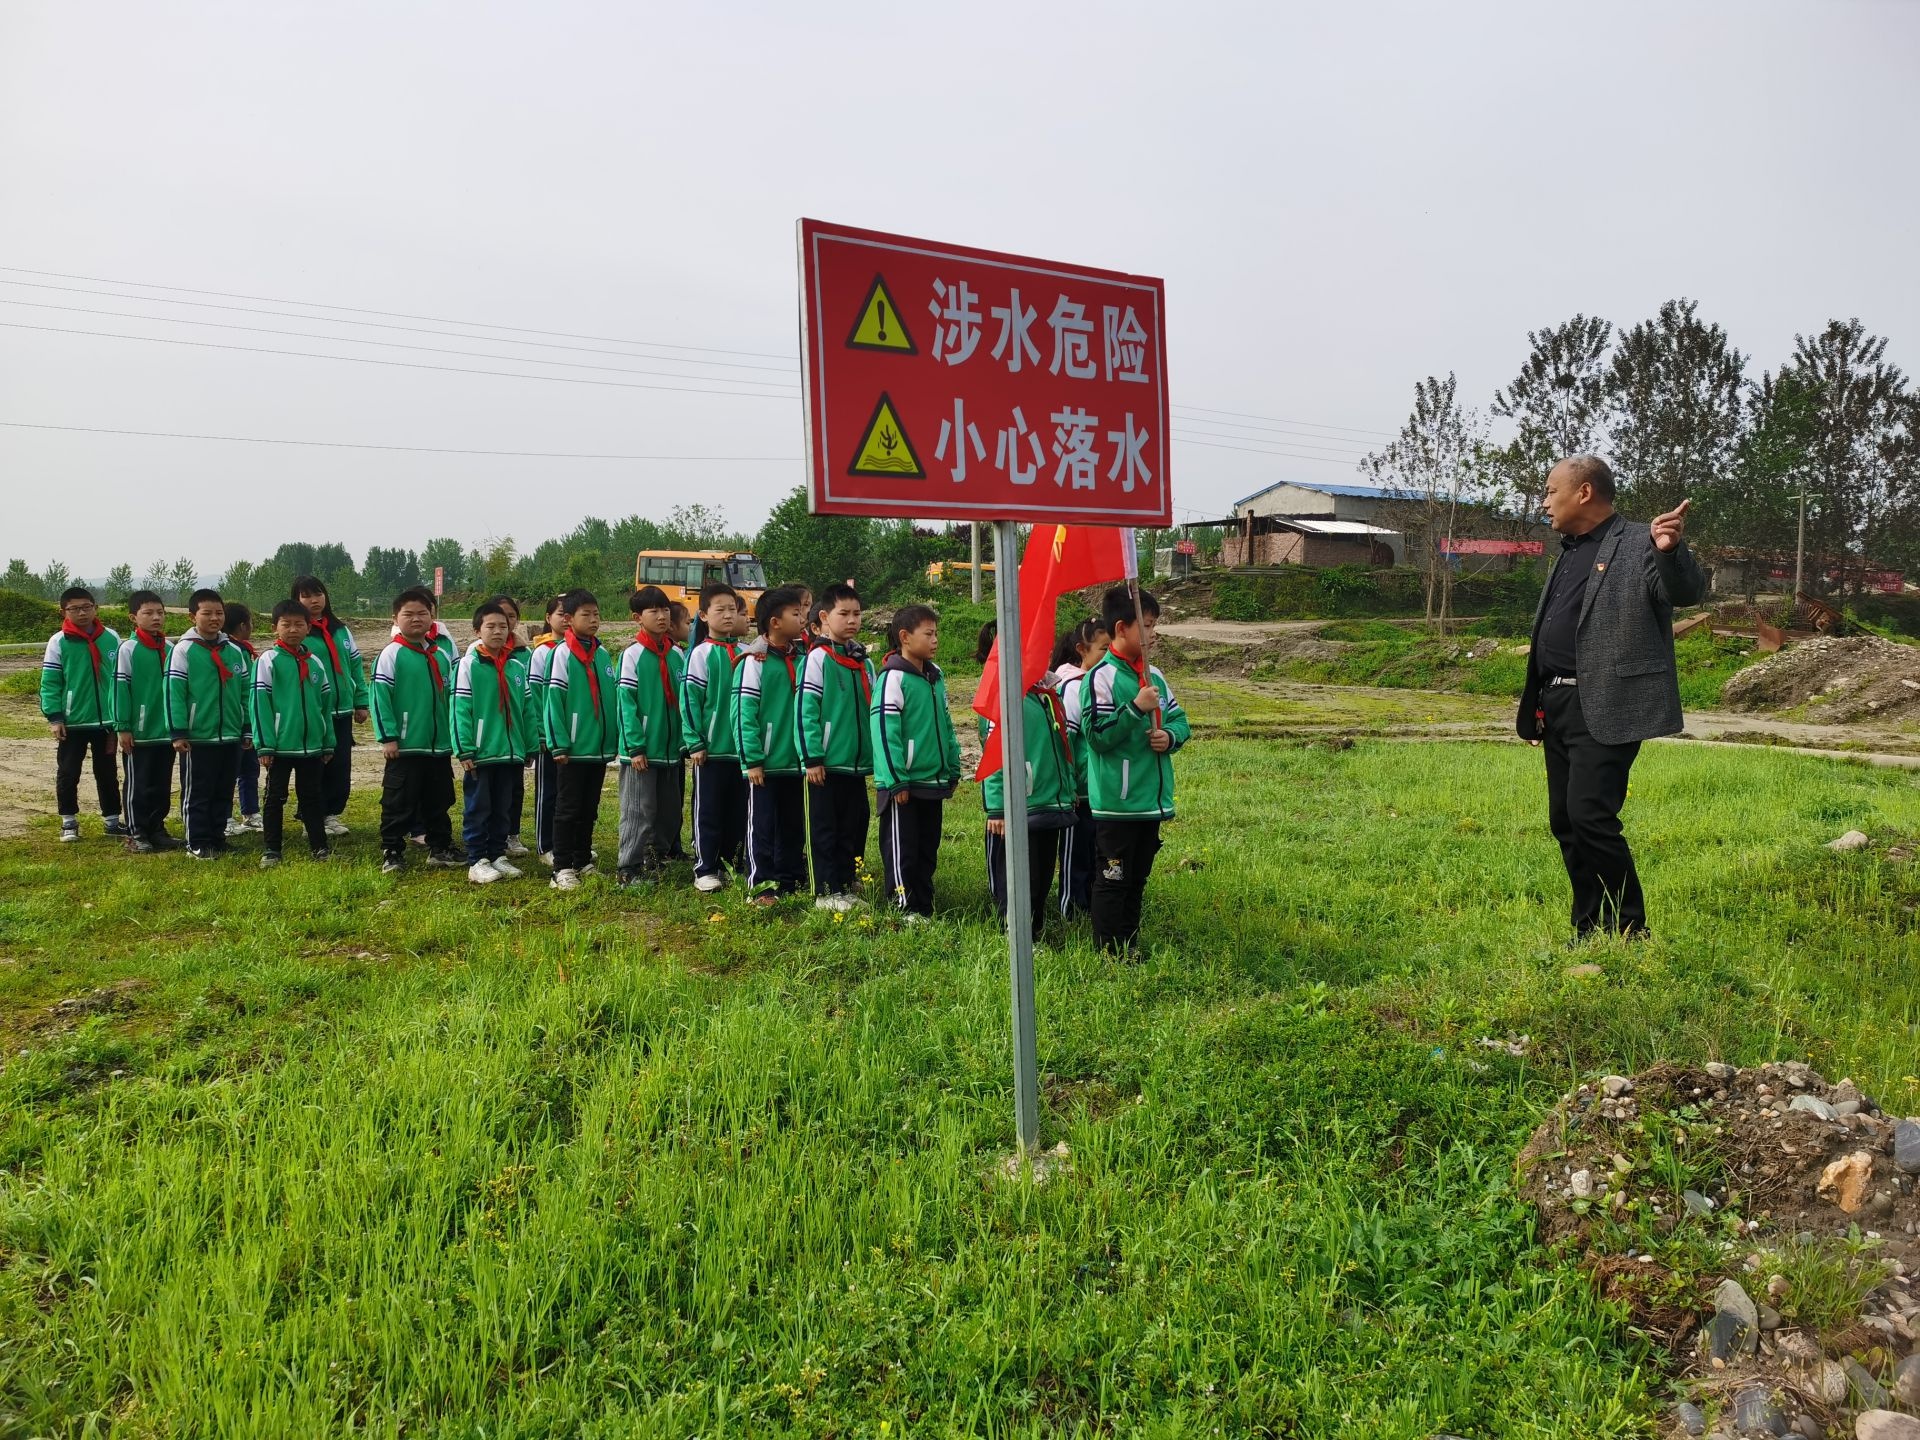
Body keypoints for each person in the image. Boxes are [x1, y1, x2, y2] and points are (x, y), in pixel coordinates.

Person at [1519, 455, 1705, 938]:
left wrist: (1669, 551)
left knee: (1591, 817)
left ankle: (1629, 928)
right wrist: (1537, 704)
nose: (1544, 501)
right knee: (1565, 821)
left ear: (1583, 492)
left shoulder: (1642, 541)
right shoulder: (1570, 549)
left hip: (1608, 702)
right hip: (1556, 703)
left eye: (1550, 490)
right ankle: (1588, 925)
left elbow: (1685, 592)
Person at [1083, 587, 1191, 958]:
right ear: (1121, 628)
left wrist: (1169, 736)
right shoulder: (1100, 679)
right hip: (1118, 803)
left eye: (1155, 625)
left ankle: (1129, 945)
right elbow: (1096, 737)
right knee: (1113, 878)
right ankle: (1108, 952)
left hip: (1150, 801)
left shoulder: (1155, 676)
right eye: (1146, 626)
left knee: (1137, 880)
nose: (1153, 634)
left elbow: (1180, 719)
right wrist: (1134, 708)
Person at [980, 647, 1078, 930]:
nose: (1043, 659)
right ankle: (1013, 934)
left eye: (1045, 653)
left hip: (1050, 802)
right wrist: (997, 807)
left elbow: (1062, 747)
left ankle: (1033, 931)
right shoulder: (1007, 696)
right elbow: (993, 755)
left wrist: (1068, 789)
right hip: (1021, 804)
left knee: (1041, 877)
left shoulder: (1046, 695)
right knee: (1020, 877)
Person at [871, 604, 959, 920]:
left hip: (931, 782)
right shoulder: (893, 677)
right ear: (905, 637)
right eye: (929, 634)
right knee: (902, 848)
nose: (935, 640)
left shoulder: (936, 677)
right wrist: (896, 778)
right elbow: (885, 732)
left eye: (936, 633)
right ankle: (901, 905)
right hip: (904, 783)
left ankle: (922, 903)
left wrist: (951, 767)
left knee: (926, 848)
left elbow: (946, 725)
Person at [370, 586, 461, 873]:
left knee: (439, 798)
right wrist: (389, 737)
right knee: (399, 800)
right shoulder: (391, 654)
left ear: (432, 616)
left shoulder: (440, 655)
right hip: (406, 746)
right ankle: (392, 850)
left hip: (437, 746)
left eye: (423, 613)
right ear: (395, 618)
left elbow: (451, 699)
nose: (416, 619)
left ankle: (440, 847)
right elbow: (380, 698)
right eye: (408, 614)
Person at [799, 581, 875, 911]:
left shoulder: (863, 662)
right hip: (826, 764)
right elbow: (807, 710)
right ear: (825, 617)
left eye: (857, 614)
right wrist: (812, 756)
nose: (852, 620)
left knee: (855, 823)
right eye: (844, 614)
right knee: (825, 827)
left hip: (855, 764)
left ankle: (846, 882)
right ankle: (826, 889)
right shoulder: (818, 659)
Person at [736, 585, 810, 904]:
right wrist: (752, 759)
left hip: (793, 761)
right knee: (762, 825)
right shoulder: (755, 661)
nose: (803, 617)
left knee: (793, 823)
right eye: (796, 613)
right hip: (765, 762)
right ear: (775, 622)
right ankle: (761, 884)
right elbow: (744, 713)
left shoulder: (802, 657)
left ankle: (789, 876)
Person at [167, 589, 252, 859]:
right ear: (193, 616)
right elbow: (175, 693)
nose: (214, 618)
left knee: (223, 790)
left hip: (229, 735)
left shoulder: (235, 651)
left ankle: (217, 837)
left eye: (219, 613)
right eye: (207, 613)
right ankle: (197, 842)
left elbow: (246, 693)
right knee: (198, 793)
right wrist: (178, 731)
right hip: (198, 737)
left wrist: (246, 726)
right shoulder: (184, 650)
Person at [250, 599, 335, 867]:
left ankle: (320, 846)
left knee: (311, 797)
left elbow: (325, 706)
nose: (293, 629)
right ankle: (272, 849)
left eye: (299, 624)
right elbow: (259, 704)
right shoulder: (268, 660)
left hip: (311, 747)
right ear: (275, 627)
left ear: (309, 627)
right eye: (286, 624)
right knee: (275, 797)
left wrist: (327, 741)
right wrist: (264, 744)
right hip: (279, 746)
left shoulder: (315, 663)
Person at [543, 588, 618, 891]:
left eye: (596, 614)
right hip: (572, 749)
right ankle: (561, 867)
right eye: (586, 615)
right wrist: (559, 743)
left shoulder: (601, 654)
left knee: (590, 807)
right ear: (569, 619)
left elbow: (610, 700)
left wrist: (611, 740)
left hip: (597, 750)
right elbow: (553, 701)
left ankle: (582, 859)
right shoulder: (561, 653)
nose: (593, 620)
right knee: (568, 808)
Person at [453, 600, 530, 884]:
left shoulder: (516, 667)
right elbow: (461, 709)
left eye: (503, 625)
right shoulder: (469, 665)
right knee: (478, 806)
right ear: (477, 631)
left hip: (510, 753)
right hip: (482, 752)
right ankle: (477, 859)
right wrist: (465, 748)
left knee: (503, 806)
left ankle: (498, 854)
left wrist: (528, 744)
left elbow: (527, 709)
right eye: (491, 626)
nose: (498, 631)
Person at [40, 585, 124, 842]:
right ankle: (68, 821)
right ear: (63, 611)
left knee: (107, 771)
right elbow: (51, 682)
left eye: (87, 607)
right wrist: (55, 717)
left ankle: (112, 820)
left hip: (107, 722)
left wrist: (120, 714)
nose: (82, 613)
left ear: (95, 608)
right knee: (68, 771)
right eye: (75, 609)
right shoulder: (58, 642)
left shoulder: (111, 637)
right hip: (73, 722)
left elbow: (121, 678)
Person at [615, 586, 684, 884]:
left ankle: (654, 859)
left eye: (666, 610)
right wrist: (635, 747)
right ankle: (628, 868)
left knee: (667, 810)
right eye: (654, 611)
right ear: (637, 617)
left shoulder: (676, 654)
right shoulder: (632, 655)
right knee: (638, 810)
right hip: (643, 750)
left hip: (670, 750)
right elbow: (626, 704)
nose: (662, 616)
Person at [682, 583, 748, 893]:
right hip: (710, 751)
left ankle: (730, 864)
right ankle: (705, 867)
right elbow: (690, 700)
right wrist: (695, 741)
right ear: (704, 615)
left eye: (732, 610)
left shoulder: (746, 654)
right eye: (719, 610)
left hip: (741, 753)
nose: (727, 615)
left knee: (738, 810)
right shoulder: (702, 654)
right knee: (708, 811)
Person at [292, 576, 370, 837]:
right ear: (296, 600)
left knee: (339, 766)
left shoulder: (341, 630)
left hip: (342, 711)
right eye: (306, 596)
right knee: (314, 767)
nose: (314, 600)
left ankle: (330, 814)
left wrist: (361, 701)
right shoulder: (299, 632)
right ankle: (310, 817)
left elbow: (356, 666)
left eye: (318, 594)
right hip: (314, 713)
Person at [1051, 618, 1109, 918]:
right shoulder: (1073, 687)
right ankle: (1071, 908)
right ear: (1081, 650)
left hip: (1101, 788)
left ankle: (1090, 903)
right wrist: (1071, 785)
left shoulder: (1099, 682)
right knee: (1077, 854)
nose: (1108, 654)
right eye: (1103, 648)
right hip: (1082, 790)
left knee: (1097, 851)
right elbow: (1068, 742)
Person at [114, 589, 177, 851]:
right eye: (148, 613)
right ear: (133, 617)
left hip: (167, 731)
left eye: (160, 613)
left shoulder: (172, 648)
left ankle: (157, 828)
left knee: (162, 784)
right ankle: (136, 832)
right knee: (138, 784)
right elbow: (119, 690)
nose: (156, 618)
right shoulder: (128, 649)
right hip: (140, 732)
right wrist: (123, 727)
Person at [483, 594, 533, 858]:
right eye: (497, 620)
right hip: (490, 739)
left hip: (515, 738)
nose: (503, 625)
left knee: (514, 790)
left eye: (510, 618)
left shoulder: (523, 655)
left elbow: (527, 700)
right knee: (486, 796)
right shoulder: (476, 656)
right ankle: (484, 847)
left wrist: (529, 740)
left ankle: (510, 835)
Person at [526, 595, 565, 864]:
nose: (566, 617)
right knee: (548, 791)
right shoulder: (543, 651)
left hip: (572, 736)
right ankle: (545, 845)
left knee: (568, 793)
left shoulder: (581, 649)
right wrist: (542, 732)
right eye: (560, 613)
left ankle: (566, 841)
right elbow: (535, 696)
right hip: (548, 736)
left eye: (570, 613)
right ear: (548, 618)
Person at [223, 603, 263, 837]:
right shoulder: (229, 650)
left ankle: (250, 813)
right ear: (242, 625)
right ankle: (225, 817)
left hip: (249, 721)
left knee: (250, 769)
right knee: (229, 771)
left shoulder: (245, 650)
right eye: (250, 622)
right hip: (232, 722)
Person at [663, 601, 692, 860]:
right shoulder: (668, 654)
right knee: (658, 800)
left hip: (677, 741)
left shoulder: (678, 654)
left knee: (676, 796)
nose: (691, 627)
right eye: (687, 622)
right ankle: (661, 848)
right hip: (659, 741)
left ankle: (673, 845)